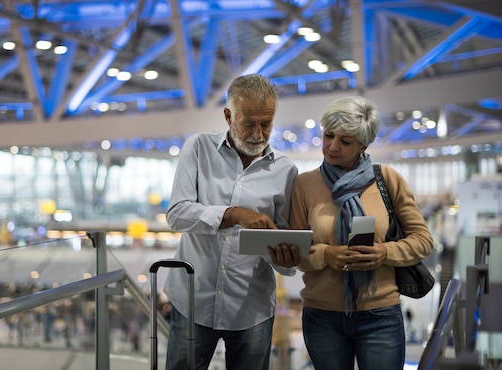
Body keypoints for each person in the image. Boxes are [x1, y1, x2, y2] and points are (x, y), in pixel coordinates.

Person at [163, 73, 300, 370]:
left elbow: (283, 245)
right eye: (248, 123)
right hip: (193, 300)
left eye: (266, 124)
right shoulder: (198, 149)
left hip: (251, 308)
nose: (258, 133)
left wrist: (286, 258)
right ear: (228, 116)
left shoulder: (286, 171)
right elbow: (177, 214)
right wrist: (233, 214)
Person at [289, 95, 434, 370]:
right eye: (328, 135)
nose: (332, 146)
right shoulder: (304, 185)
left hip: (379, 313)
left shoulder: (387, 180)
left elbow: (423, 240)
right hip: (322, 316)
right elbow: (294, 251)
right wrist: (325, 255)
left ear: (364, 145)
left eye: (345, 141)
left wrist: (384, 252)